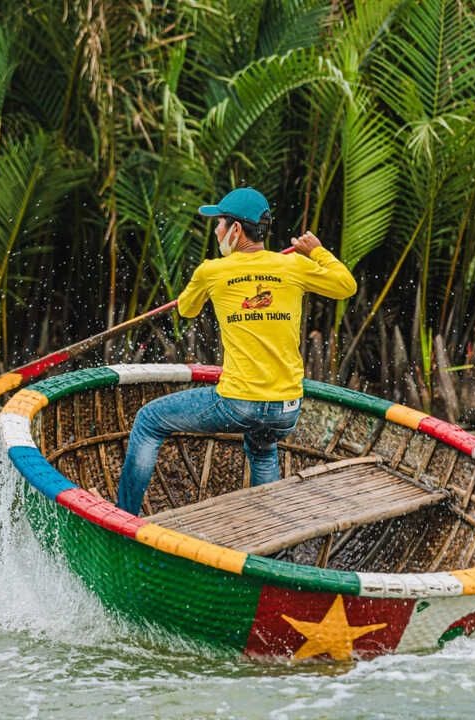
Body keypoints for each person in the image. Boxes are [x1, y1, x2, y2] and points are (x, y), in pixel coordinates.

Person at [115, 187, 357, 515]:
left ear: (236, 230)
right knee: (263, 448)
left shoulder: (211, 271)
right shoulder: (294, 267)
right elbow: (346, 285)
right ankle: (270, 546)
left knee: (148, 419)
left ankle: (122, 517)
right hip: (286, 409)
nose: (216, 230)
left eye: (219, 223)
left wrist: (208, 286)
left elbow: (186, 310)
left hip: (239, 405)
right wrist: (317, 251)